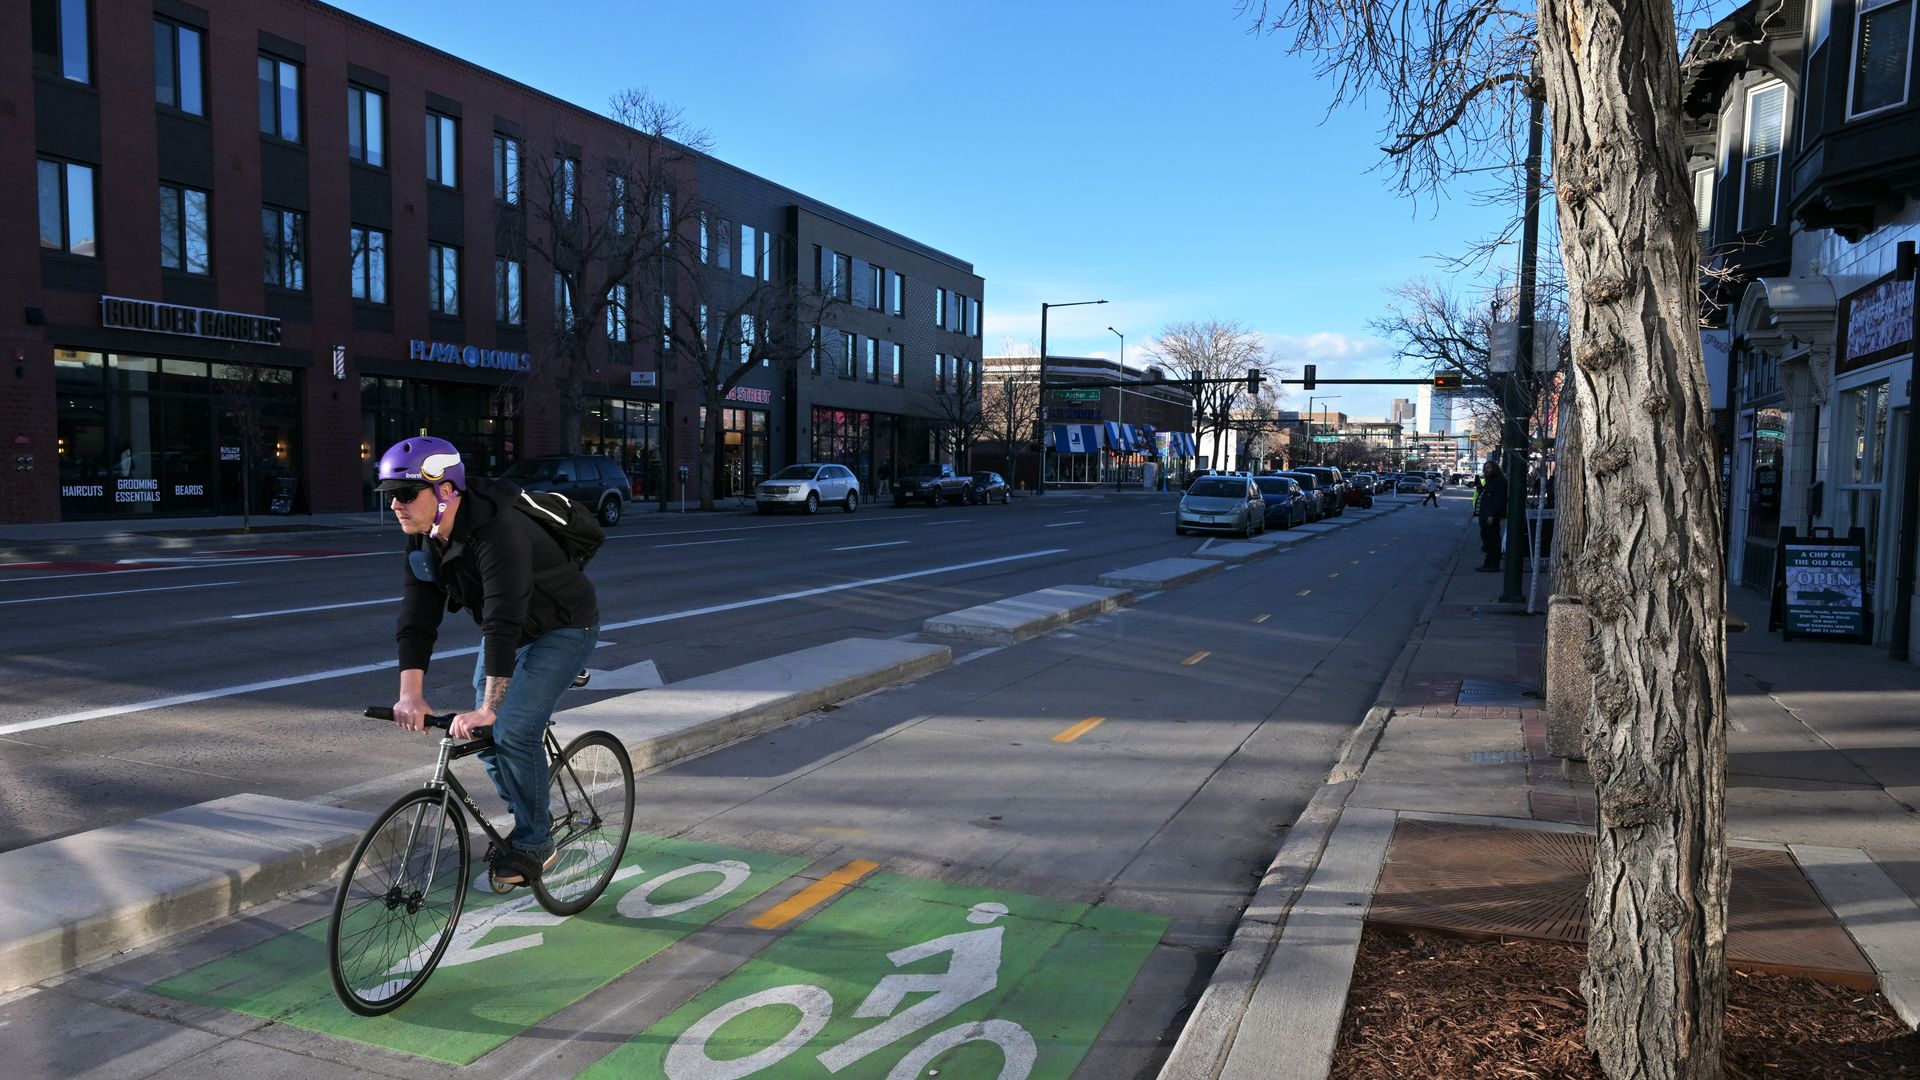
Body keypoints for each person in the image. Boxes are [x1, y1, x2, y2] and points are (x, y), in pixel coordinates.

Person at [379, 436, 600, 888]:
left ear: (445, 491)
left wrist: (490, 708)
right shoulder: (424, 542)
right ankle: (527, 822)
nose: (396, 506)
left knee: (511, 728)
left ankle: (537, 844)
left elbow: (502, 620)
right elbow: (417, 618)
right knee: (487, 736)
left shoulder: (499, 532)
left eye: (405, 494)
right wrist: (411, 695)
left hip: (563, 626)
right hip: (512, 633)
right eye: (388, 497)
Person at [1477, 459, 1508, 572]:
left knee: (1492, 540)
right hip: (1484, 515)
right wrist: (1480, 487)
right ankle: (1488, 563)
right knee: (1487, 539)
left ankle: (1493, 564)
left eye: (1488, 468)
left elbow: (1498, 500)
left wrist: (1492, 515)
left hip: (1490, 516)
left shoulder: (1499, 481)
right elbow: (1486, 497)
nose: (1486, 470)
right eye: (1485, 468)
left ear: (1494, 468)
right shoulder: (1490, 481)